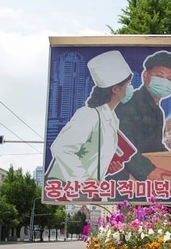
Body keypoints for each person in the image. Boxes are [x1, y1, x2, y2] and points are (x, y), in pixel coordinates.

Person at [45, 50, 134, 184]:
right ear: (115, 89)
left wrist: (105, 167)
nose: (130, 89)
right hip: (63, 187)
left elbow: (89, 156)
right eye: (128, 85)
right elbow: (61, 148)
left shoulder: (112, 119)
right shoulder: (89, 115)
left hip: (86, 192)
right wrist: (85, 179)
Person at [111, 50, 171, 181]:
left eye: (170, 79)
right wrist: (147, 170)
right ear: (146, 75)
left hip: (147, 181)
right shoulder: (130, 103)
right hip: (125, 179)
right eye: (159, 76)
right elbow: (121, 143)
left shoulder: (158, 111)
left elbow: (155, 146)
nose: (164, 82)